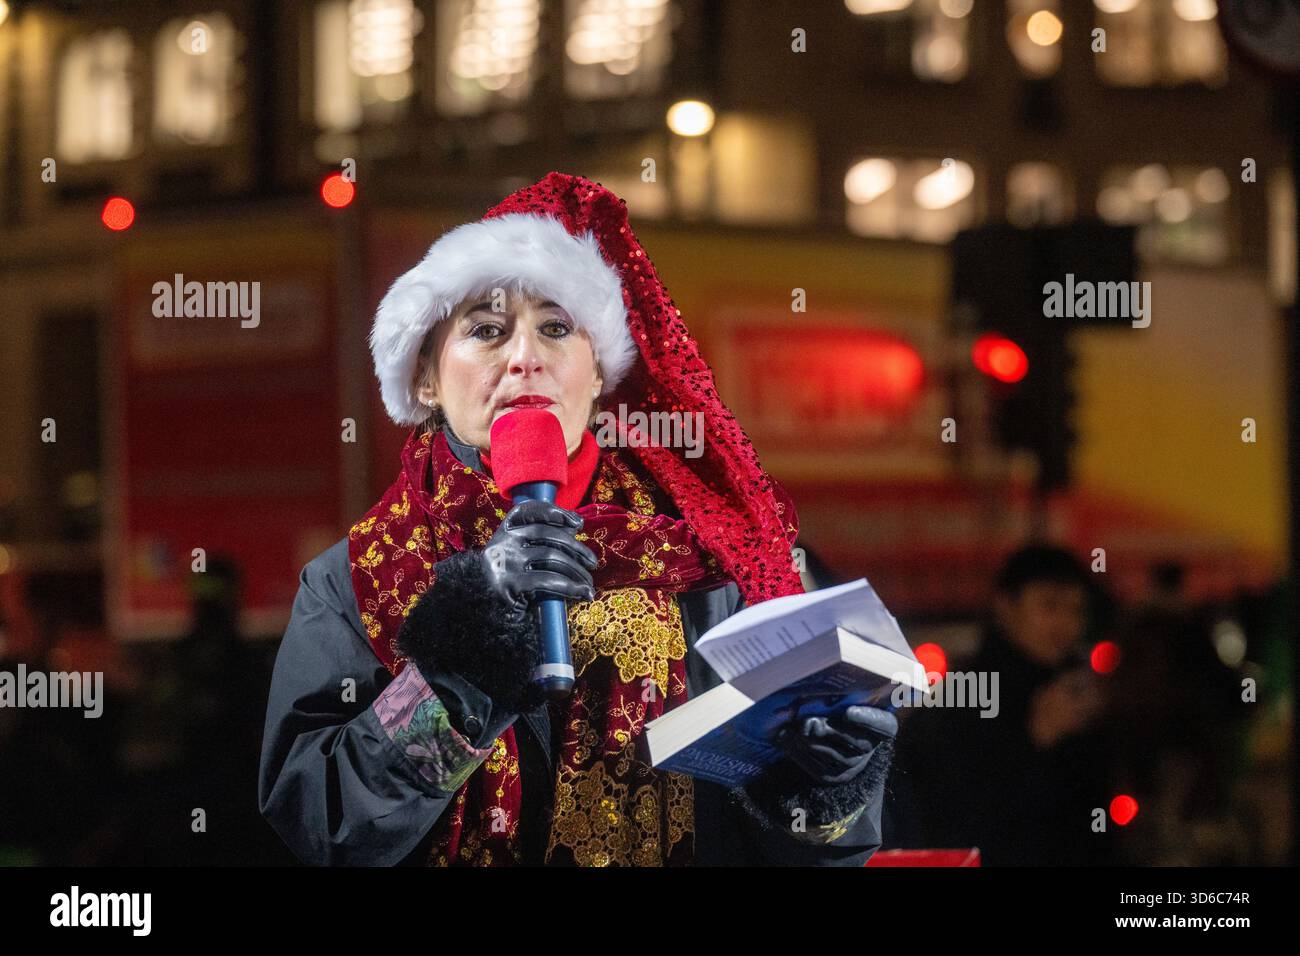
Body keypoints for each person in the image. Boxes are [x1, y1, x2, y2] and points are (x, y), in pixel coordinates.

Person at [258, 172, 899, 866]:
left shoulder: (713, 559)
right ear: (425, 380)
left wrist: (822, 784)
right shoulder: (353, 580)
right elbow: (321, 824)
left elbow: (815, 853)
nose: (525, 358)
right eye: (486, 331)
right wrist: (465, 665)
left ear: (597, 373)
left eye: (557, 328)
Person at [890, 544, 1115, 865]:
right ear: (1005, 606)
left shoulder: (1074, 692)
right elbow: (953, 824)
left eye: (1076, 610)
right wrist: (1035, 742)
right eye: (1050, 606)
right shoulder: (962, 698)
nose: (1065, 623)